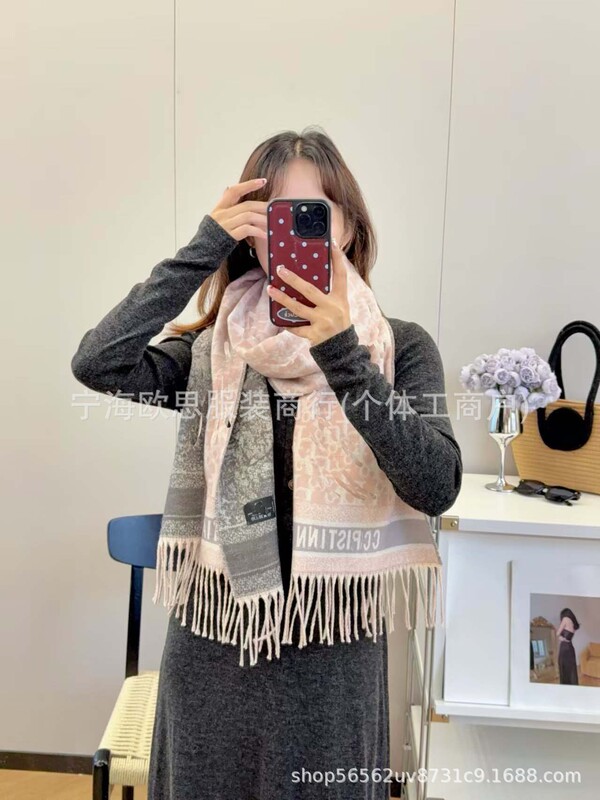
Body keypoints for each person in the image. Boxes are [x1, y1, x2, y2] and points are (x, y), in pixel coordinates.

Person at [71, 127, 463, 800]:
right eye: (273, 217)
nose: (293, 234)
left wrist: (342, 353)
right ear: (249, 237)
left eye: (314, 213)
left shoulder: (398, 346)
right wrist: (201, 248)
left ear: (349, 227)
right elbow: (98, 363)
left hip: (333, 652)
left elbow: (437, 485)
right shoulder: (214, 350)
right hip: (214, 643)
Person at [557, 607, 580, 685]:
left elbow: (557, 633)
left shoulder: (565, 619)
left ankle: (565, 686)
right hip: (570, 647)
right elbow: (569, 637)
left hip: (564, 648)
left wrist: (561, 638)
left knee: (563, 667)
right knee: (571, 669)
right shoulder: (573, 623)